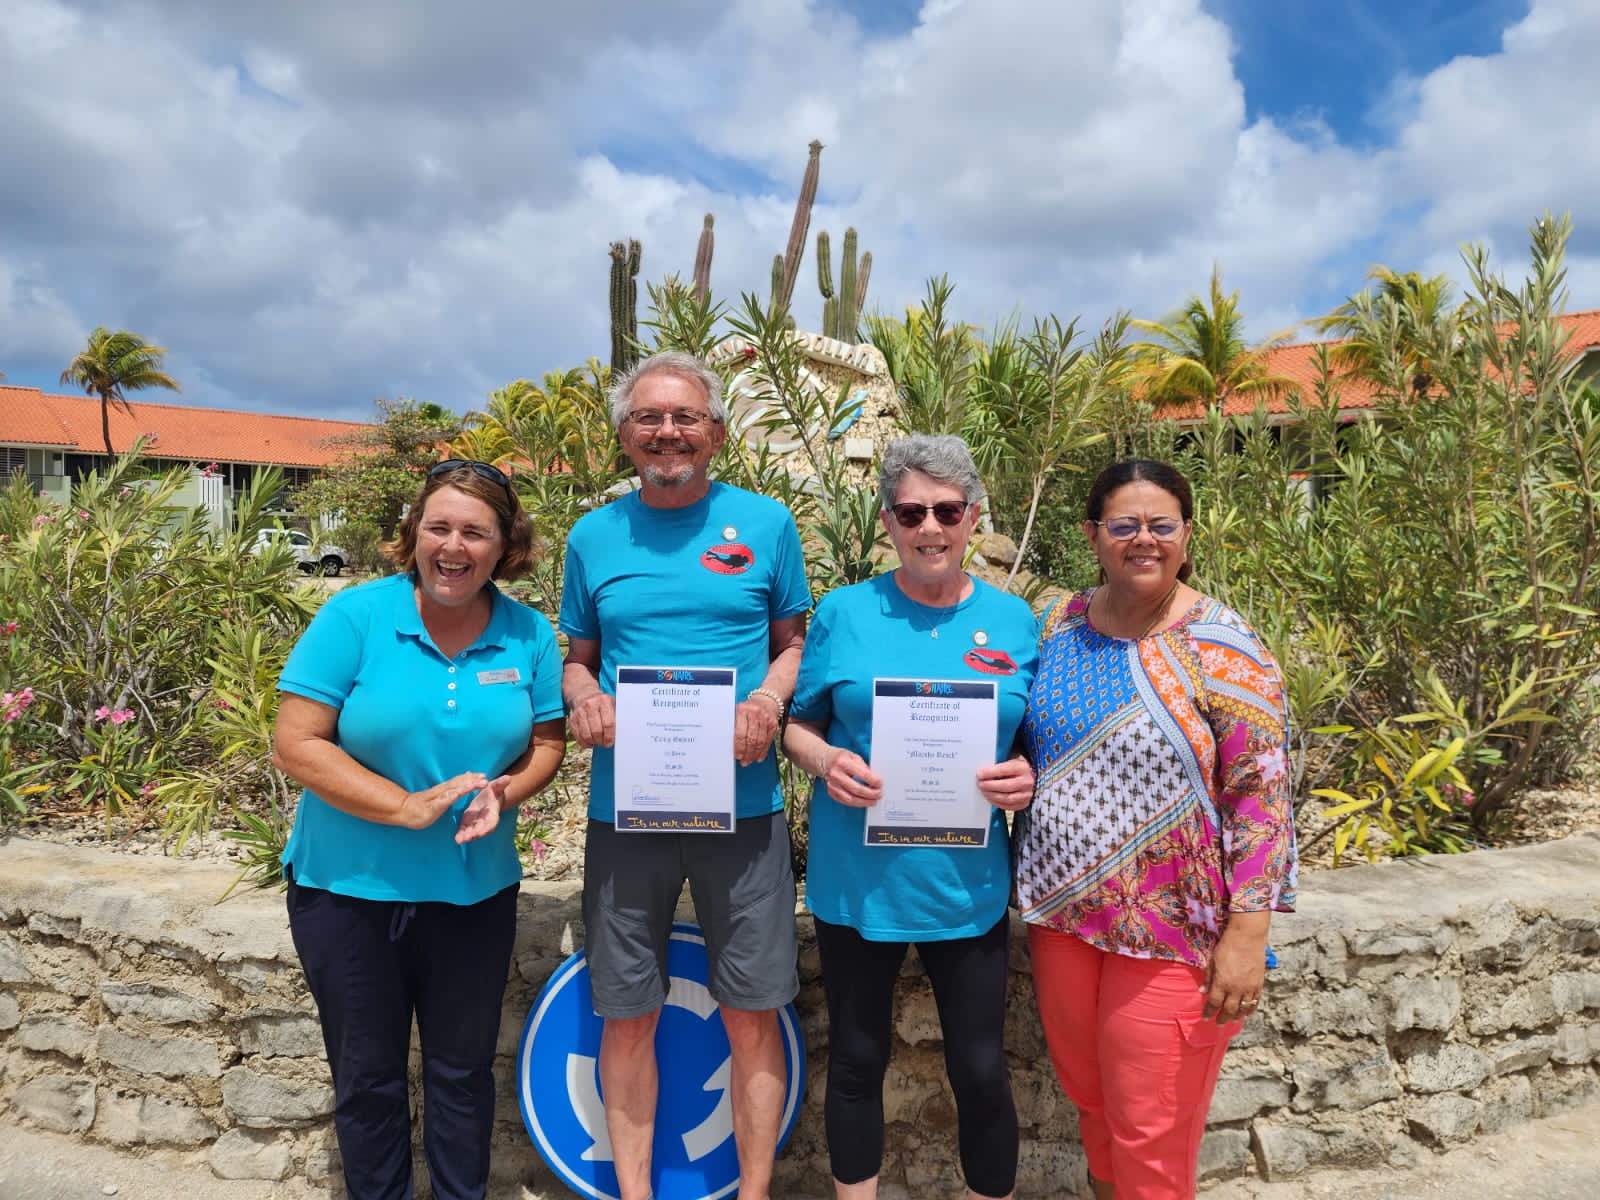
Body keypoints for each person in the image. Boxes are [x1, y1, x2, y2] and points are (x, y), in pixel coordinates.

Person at [272, 460, 565, 1200]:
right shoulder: (356, 617)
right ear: (414, 533)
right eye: (439, 527)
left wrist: (505, 790)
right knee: (367, 1078)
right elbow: (296, 743)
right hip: (347, 891)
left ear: (505, 545)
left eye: (475, 532)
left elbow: (547, 744)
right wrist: (402, 807)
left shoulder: (529, 634)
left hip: (474, 893)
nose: (453, 547)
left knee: (462, 1076)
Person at [559, 350, 811, 1200]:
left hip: (743, 811)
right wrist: (585, 697)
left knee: (752, 1012)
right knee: (626, 1014)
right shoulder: (593, 537)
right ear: (625, 435)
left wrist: (768, 701)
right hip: (626, 812)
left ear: (717, 433)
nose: (668, 432)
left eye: (685, 417)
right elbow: (577, 659)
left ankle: (753, 1194)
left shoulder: (766, 524)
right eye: (649, 418)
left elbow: (792, 645)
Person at [1014, 458, 1297, 1199]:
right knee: (1094, 1108)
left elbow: (1262, 795)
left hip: (1176, 927)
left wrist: (1248, 935)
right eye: (1124, 524)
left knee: (1152, 1130)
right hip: (1063, 914)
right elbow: (1028, 737)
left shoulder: (1222, 643)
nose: (1144, 539)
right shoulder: (1060, 622)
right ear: (1092, 535)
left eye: (1161, 524)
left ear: (1187, 534)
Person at [781, 434, 1038, 1200]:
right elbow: (798, 726)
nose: (930, 527)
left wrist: (1025, 774)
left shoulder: (1015, 620)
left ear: (973, 517)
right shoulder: (844, 612)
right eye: (911, 511)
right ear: (888, 520)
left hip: (967, 886)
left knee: (981, 1070)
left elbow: (1030, 742)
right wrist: (826, 760)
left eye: (947, 511)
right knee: (857, 1062)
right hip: (858, 884)